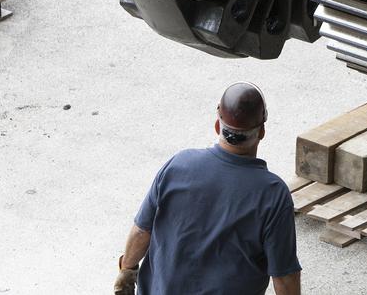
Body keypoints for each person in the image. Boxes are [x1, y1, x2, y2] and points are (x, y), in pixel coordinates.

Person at [113, 82, 301, 295]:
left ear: (217, 125)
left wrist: (126, 271)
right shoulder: (272, 195)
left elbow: (141, 231)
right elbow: (284, 277)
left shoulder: (178, 165)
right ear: (262, 132)